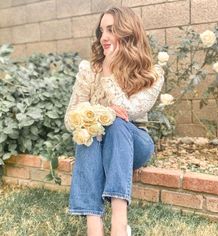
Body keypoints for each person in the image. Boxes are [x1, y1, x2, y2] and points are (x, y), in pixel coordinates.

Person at [64, 6, 164, 236]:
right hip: (99, 141)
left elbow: (129, 111)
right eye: (101, 31)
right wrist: (91, 119)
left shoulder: (151, 73)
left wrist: (109, 73)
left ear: (128, 33)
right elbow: (71, 118)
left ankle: (119, 222)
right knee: (87, 130)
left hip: (134, 142)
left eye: (111, 30)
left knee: (117, 122)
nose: (104, 37)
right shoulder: (89, 70)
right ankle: (94, 225)